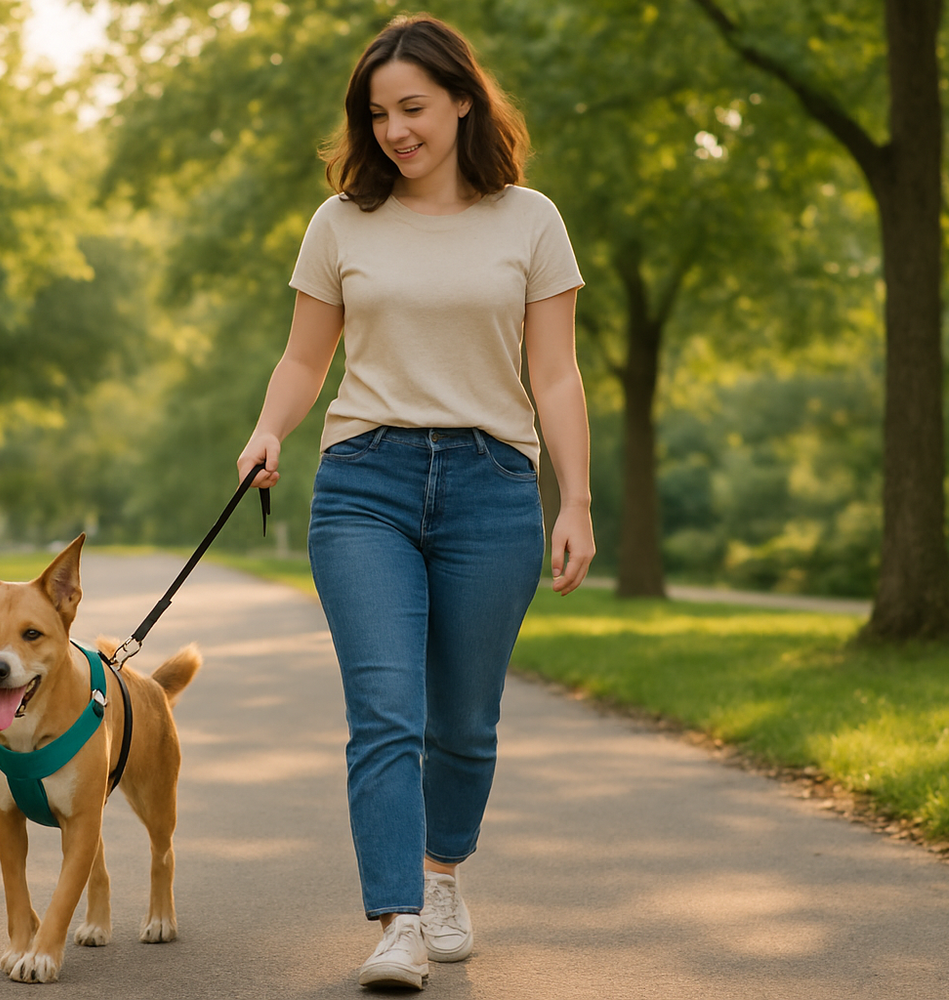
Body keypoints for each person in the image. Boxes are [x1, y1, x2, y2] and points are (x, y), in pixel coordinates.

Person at [236, 13, 595, 991]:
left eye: (414, 108)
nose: (395, 129)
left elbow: (557, 376)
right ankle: (395, 919)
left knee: (465, 723)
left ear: (463, 100)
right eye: (378, 112)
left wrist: (578, 502)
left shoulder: (531, 219)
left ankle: (443, 877)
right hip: (366, 482)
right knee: (386, 711)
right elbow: (306, 356)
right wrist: (269, 429)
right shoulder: (341, 223)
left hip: (493, 486)